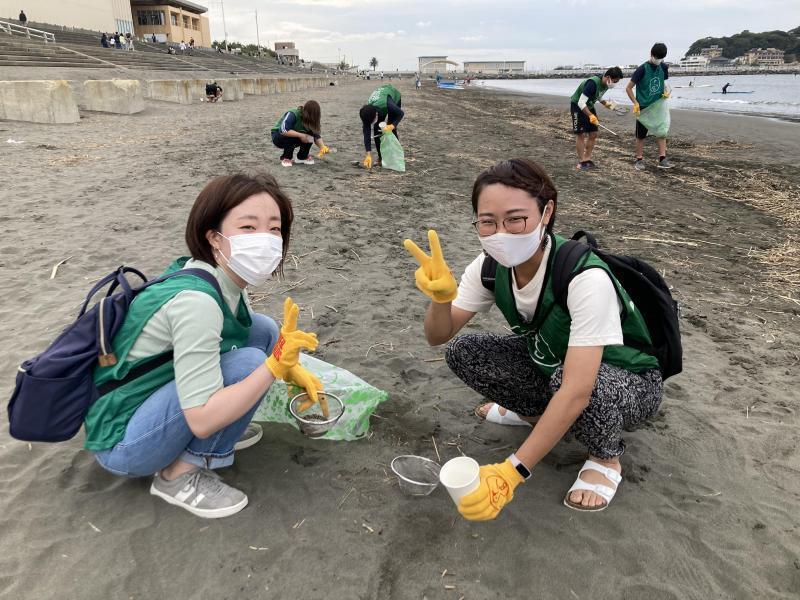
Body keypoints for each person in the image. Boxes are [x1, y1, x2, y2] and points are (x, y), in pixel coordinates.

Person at [403, 158, 664, 518]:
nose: (501, 233)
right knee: (464, 352)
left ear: (546, 211)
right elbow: (438, 335)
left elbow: (577, 389)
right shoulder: (489, 269)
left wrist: (513, 471)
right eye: (487, 222)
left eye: (515, 219)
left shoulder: (585, 278)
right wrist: (440, 299)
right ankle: (539, 416)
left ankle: (605, 457)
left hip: (629, 382)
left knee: (573, 385)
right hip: (554, 363)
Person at [89, 172, 324, 518]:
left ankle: (217, 430)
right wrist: (274, 367)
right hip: (124, 443)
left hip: (142, 400)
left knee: (262, 330)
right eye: (248, 228)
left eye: (274, 229)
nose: (266, 239)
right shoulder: (197, 302)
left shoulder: (216, 275)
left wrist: (291, 369)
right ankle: (177, 475)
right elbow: (200, 419)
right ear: (214, 237)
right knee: (249, 366)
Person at [626, 42, 672, 170]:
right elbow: (629, 88)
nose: (658, 60)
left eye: (661, 58)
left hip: (658, 106)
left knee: (662, 132)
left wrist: (667, 92)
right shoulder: (642, 69)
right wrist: (635, 103)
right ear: (651, 54)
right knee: (640, 136)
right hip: (644, 108)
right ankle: (639, 160)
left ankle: (662, 158)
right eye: (657, 57)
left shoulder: (664, 67)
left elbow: (665, 84)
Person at [570, 66, 623, 170]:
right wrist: (590, 116)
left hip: (589, 105)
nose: (615, 84)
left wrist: (608, 105)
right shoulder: (592, 83)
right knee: (580, 134)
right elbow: (581, 102)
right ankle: (581, 162)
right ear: (608, 77)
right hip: (577, 105)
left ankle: (587, 159)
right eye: (615, 81)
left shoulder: (606, 84)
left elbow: (598, 96)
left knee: (593, 133)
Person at [271, 100, 329, 167]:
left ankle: (302, 157)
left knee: (310, 137)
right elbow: (283, 130)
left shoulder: (312, 120)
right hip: (278, 136)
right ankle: (286, 158)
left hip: (295, 136)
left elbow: (316, 135)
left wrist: (322, 147)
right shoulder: (293, 114)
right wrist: (301, 135)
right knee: (292, 136)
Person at [359, 84, 403, 169]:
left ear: (376, 114)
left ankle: (395, 157)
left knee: (391, 130)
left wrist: (392, 125)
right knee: (377, 128)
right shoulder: (367, 113)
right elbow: (366, 134)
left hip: (393, 97)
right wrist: (368, 154)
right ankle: (381, 157)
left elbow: (400, 113)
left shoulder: (388, 104)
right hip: (380, 104)